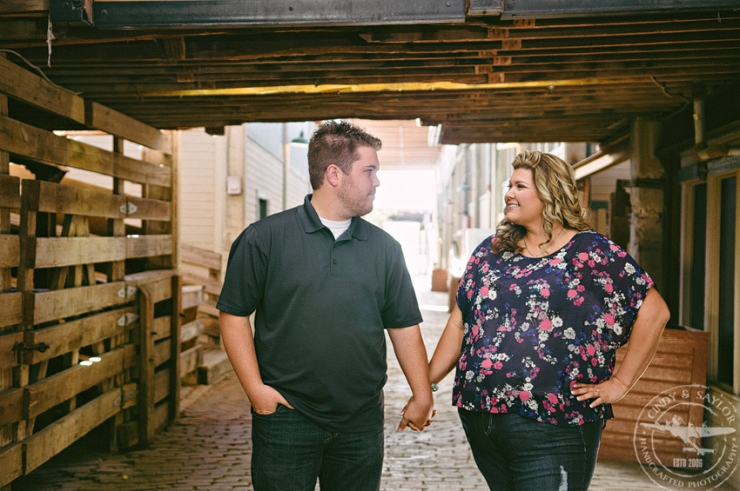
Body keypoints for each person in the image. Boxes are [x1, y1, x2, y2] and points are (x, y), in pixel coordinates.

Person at [428, 150, 670, 491]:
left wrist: (621, 384)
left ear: (549, 192)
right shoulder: (492, 250)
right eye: (509, 185)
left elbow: (655, 310)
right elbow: (459, 323)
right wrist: (425, 386)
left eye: (520, 186)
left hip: (555, 426)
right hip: (482, 418)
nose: (509, 193)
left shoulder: (590, 251)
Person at [216, 121, 435, 491]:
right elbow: (233, 314)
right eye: (369, 171)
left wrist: (422, 392)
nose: (376, 181)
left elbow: (403, 325)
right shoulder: (264, 239)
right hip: (286, 416)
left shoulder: (385, 248)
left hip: (361, 422)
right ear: (334, 174)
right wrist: (256, 390)